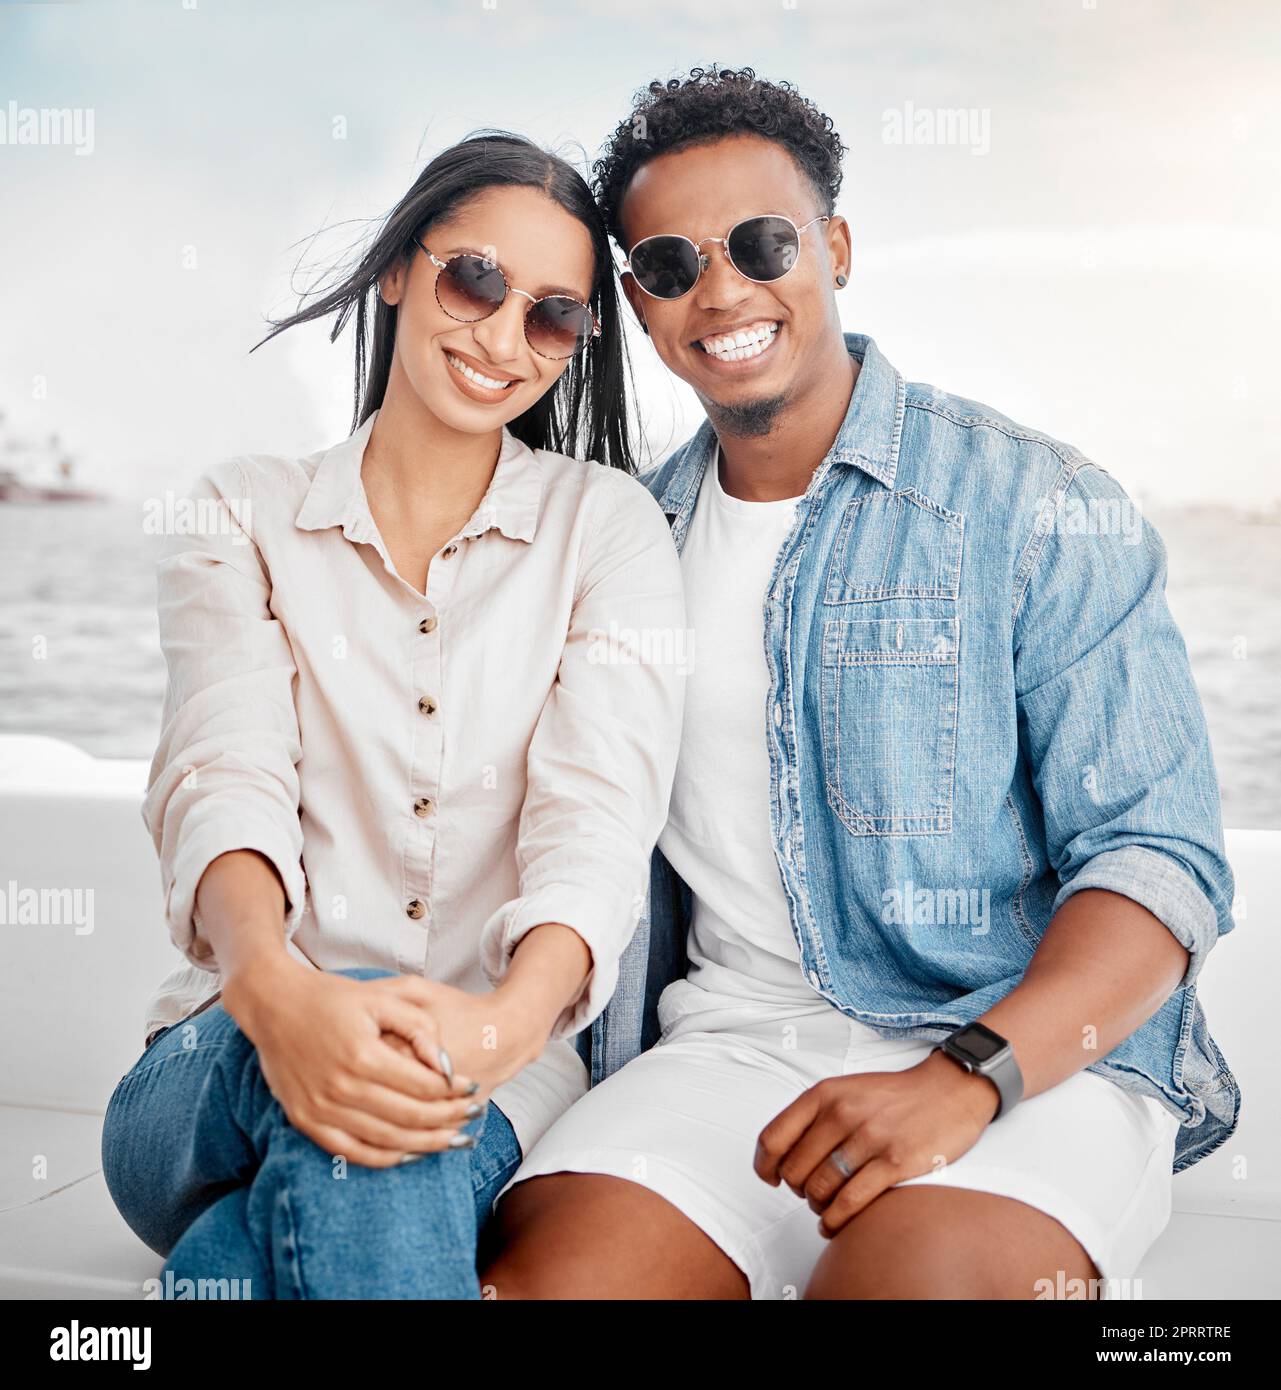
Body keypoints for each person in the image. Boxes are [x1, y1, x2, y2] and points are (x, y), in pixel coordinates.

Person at [483, 68, 1240, 1301]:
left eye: (763, 242)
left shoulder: (1037, 505)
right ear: (637, 298)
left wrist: (964, 1078)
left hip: (1028, 1062)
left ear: (834, 245)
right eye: (672, 264)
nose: (721, 289)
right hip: (725, 1052)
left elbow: (1159, 860)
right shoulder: (625, 546)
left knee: (905, 1289)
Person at [100, 131, 686, 1299]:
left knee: (246, 1257)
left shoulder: (606, 528)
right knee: (370, 1032)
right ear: (399, 271)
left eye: (552, 316)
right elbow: (227, 775)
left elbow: (598, 824)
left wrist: (490, 1030)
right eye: (475, 279)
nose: (501, 337)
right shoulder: (242, 510)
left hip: (491, 1077)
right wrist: (278, 994)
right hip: (215, 1068)